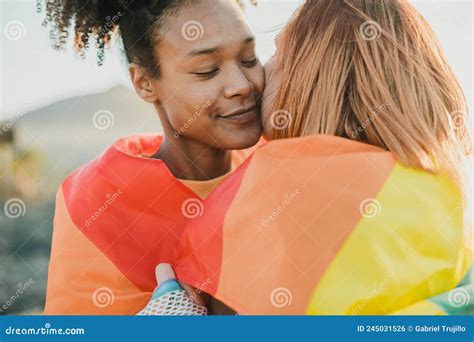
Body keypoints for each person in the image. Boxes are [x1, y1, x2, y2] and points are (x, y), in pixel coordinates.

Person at [164, 0, 472, 314]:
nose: (257, 76)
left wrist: (172, 310)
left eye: (278, 55)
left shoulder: (281, 190)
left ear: (316, 79)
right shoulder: (440, 191)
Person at [42, 0, 265, 314]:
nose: (242, 85)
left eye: (249, 58)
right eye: (207, 71)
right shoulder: (97, 203)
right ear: (145, 83)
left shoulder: (284, 159)